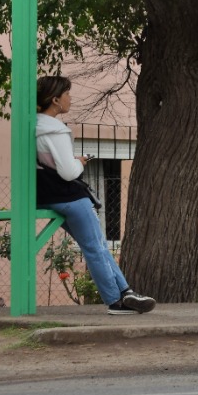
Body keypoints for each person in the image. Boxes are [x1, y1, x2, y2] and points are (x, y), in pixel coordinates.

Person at [36, 75, 155, 315]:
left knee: (96, 245)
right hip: (69, 197)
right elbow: (68, 172)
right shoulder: (55, 130)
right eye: (67, 94)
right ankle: (116, 300)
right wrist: (79, 162)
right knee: (96, 247)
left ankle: (126, 293)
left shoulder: (34, 126)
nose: (71, 98)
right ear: (56, 99)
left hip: (46, 194)